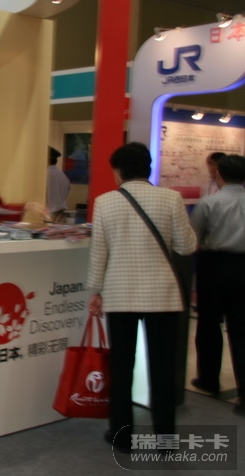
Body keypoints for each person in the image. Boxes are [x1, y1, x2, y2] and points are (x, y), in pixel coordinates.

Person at [87, 142, 197, 452]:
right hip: (162, 296)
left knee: (121, 368)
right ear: (148, 168)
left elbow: (99, 253)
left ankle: (122, 436)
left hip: (120, 294)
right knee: (163, 368)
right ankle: (165, 439)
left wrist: (95, 291)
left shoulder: (105, 202)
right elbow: (187, 246)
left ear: (118, 171)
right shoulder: (171, 198)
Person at [189, 154, 245, 414]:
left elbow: (193, 239)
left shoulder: (209, 203)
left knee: (209, 323)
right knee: (241, 329)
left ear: (219, 174)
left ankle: (208, 379)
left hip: (214, 266)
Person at [46, 146, 70, 223]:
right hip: (60, 213)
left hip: (48, 214)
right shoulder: (62, 175)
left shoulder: (45, 175)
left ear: (47, 159)